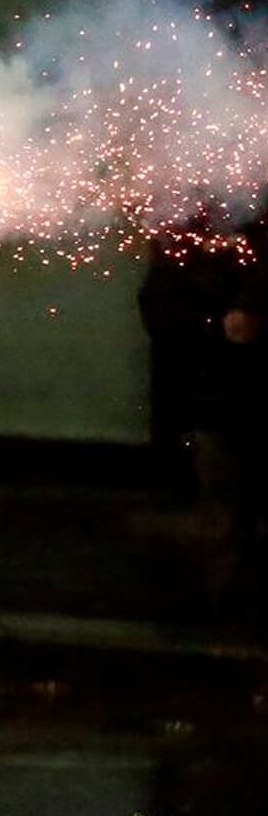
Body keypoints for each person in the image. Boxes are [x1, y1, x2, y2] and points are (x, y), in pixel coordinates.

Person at [139, 217, 268, 625]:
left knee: (225, 524)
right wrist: (219, 327)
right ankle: (232, 622)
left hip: (220, 400)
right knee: (225, 525)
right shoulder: (185, 234)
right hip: (219, 403)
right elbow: (161, 310)